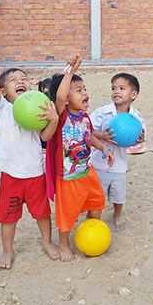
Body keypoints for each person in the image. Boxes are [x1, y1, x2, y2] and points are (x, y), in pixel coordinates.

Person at [0, 43, 60, 269]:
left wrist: (53, 120)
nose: (20, 81)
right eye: (13, 80)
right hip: (11, 176)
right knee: (9, 216)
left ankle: (47, 242)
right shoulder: (2, 108)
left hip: (35, 172)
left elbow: (45, 135)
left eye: (23, 78)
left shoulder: (36, 108)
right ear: (4, 91)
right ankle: (8, 250)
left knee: (42, 213)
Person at [46, 55, 113, 261]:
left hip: (87, 171)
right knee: (66, 213)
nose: (85, 93)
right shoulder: (61, 116)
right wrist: (70, 72)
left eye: (84, 89)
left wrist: (103, 148)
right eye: (78, 90)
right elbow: (58, 98)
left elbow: (89, 136)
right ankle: (64, 244)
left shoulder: (84, 117)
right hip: (67, 177)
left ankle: (90, 227)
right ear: (66, 98)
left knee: (97, 202)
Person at [91, 73, 145, 229]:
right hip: (99, 162)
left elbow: (140, 137)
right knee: (98, 193)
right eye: (114, 88)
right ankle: (95, 216)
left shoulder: (136, 118)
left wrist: (139, 139)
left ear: (133, 95)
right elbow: (88, 131)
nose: (116, 91)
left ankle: (117, 214)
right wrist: (103, 136)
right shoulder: (102, 112)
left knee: (118, 193)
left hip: (119, 164)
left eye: (122, 88)